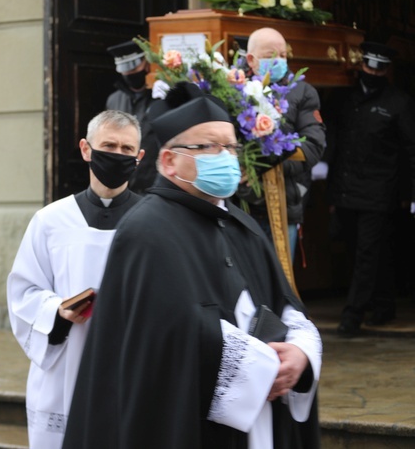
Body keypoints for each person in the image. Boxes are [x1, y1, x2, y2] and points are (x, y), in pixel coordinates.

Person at [62, 89, 322, 448]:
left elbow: (286, 306)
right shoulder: (146, 231)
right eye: (210, 148)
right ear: (169, 161)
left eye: (231, 148)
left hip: (261, 418)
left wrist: (300, 352)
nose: (227, 158)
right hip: (188, 424)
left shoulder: (241, 225)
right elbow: (161, 338)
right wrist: (260, 364)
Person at [7, 110, 143, 448]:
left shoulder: (150, 222)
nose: (117, 155)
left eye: (127, 149)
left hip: (130, 361)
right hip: (66, 360)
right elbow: (23, 291)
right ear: (86, 149)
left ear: (140, 157)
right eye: (108, 145)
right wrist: (58, 311)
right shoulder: (50, 220)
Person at [323, 41, 415, 335]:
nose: (372, 72)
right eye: (368, 66)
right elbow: (335, 143)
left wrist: (408, 194)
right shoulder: (342, 99)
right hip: (346, 188)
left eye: (379, 68)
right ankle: (384, 304)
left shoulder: (399, 102)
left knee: (367, 253)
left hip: (379, 191)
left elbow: (409, 151)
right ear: (360, 65)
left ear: (387, 70)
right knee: (361, 252)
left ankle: (353, 314)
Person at [237, 27, 326, 259]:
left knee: (280, 286)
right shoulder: (231, 89)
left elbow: (313, 146)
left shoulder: (303, 92)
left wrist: (265, 167)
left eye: (283, 55)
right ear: (251, 60)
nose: (278, 60)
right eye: (270, 56)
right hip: (238, 205)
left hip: (283, 204)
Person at [105, 40, 159, 193]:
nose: (130, 73)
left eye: (134, 66)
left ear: (147, 62)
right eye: (125, 69)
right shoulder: (114, 100)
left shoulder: (160, 96)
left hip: (153, 184)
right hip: (123, 187)